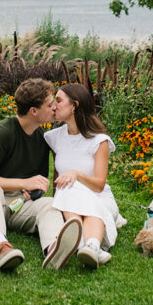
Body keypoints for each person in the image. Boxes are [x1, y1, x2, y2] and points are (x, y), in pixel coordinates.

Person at [0, 77, 82, 272]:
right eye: (49, 104)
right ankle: (0, 247)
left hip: (18, 206)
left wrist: (33, 191)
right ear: (33, 111)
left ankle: (53, 250)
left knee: (50, 204)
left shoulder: (41, 139)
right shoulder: (2, 133)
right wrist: (24, 183)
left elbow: (35, 184)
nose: (54, 107)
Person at [45, 83, 126, 269]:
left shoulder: (99, 141)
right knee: (67, 188)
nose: (54, 106)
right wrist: (54, 200)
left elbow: (98, 185)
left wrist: (76, 174)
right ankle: (91, 247)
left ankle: (87, 245)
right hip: (69, 200)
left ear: (75, 105)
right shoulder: (54, 137)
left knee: (71, 186)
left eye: (58, 101)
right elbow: (58, 177)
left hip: (98, 198)